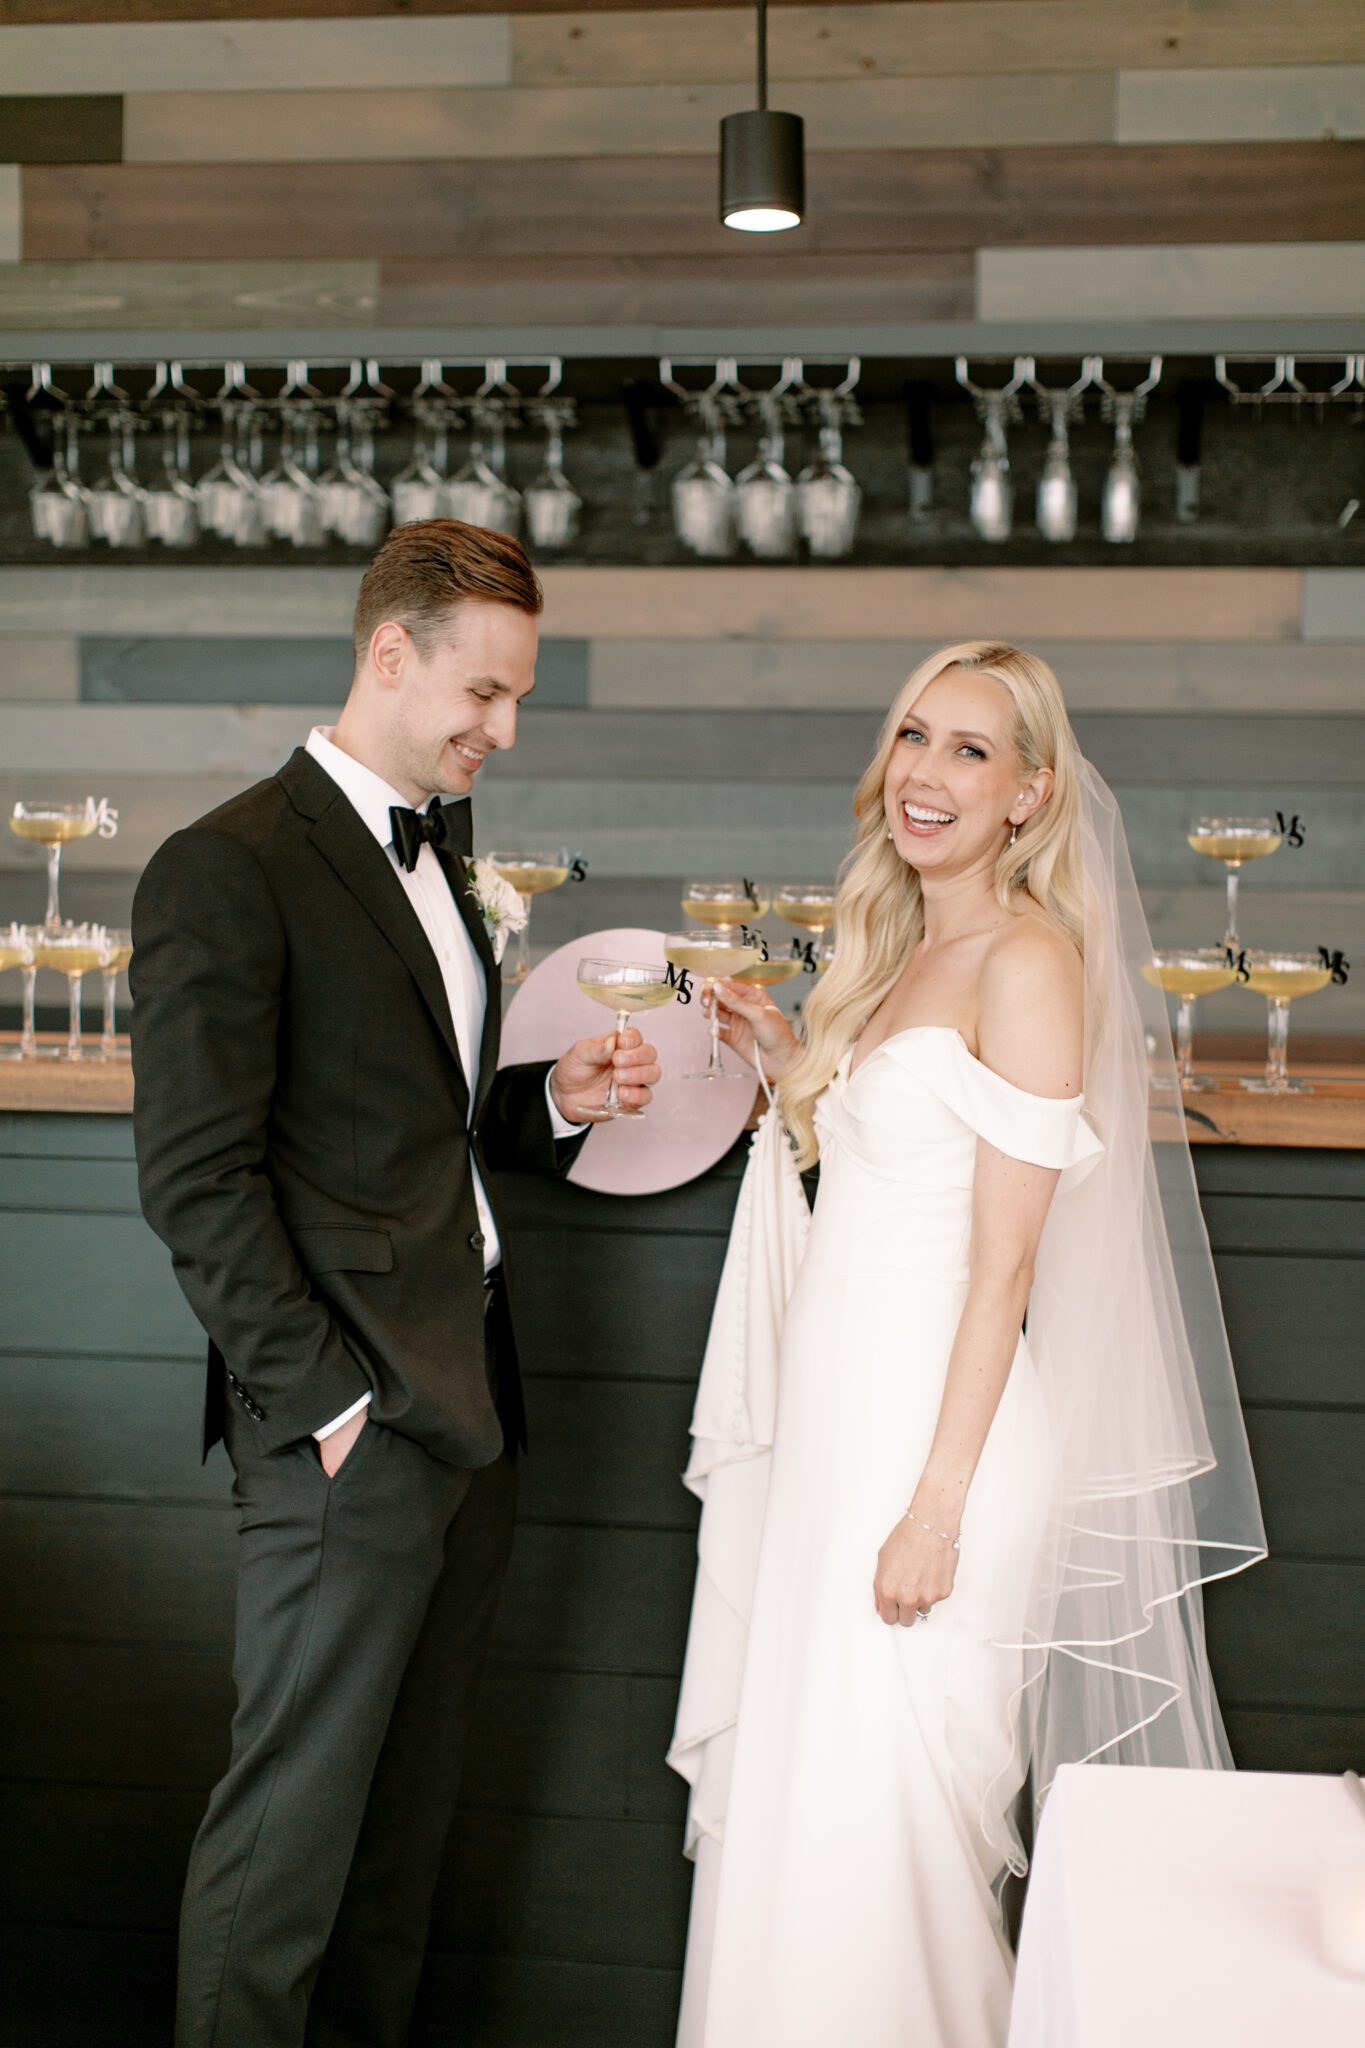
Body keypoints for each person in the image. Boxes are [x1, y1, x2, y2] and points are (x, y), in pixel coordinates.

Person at [668, 642, 1265, 2048]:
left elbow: (1000, 1265)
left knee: (896, 1835)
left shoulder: (1029, 960)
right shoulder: (895, 954)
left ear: (1029, 793)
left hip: (937, 1450)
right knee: (810, 1812)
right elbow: (888, 1187)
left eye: (969, 751)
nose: (924, 776)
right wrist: (784, 1066)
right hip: (835, 1435)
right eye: (914, 738)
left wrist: (934, 1510)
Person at [131, 519, 661, 2048]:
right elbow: (196, 1180)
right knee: (284, 1854)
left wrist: (553, 1100)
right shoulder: (224, 866)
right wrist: (326, 1410)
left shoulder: (448, 857)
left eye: (515, 701)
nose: (500, 728)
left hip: (470, 1404)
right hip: (347, 1432)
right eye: (482, 694)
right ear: (390, 653)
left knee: (392, 1851)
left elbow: (411, 1130)